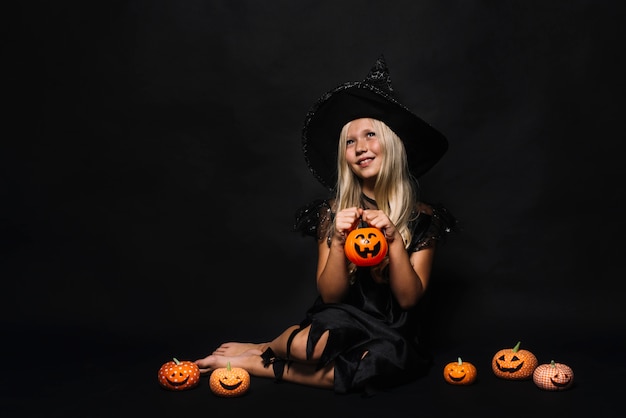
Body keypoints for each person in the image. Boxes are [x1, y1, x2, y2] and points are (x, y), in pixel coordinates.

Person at [195, 55, 456, 395]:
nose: (360, 147)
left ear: (392, 145)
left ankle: (259, 363)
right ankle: (267, 346)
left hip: (395, 330)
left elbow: (408, 300)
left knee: (375, 368)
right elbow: (331, 294)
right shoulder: (332, 212)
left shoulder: (423, 218)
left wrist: (392, 240)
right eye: (350, 141)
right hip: (342, 317)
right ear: (343, 156)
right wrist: (336, 240)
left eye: (370, 135)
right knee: (310, 348)